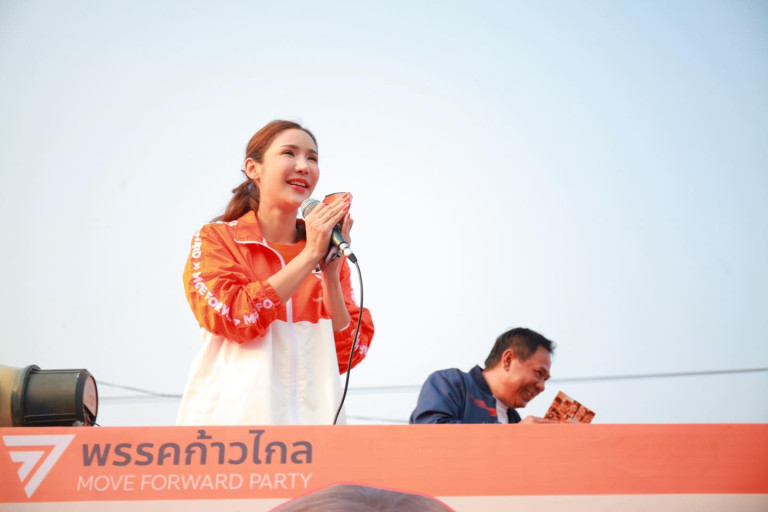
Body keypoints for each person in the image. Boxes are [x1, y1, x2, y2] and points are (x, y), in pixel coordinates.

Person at [177, 120, 374, 426]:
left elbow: (347, 353)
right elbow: (233, 317)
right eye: (289, 153)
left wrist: (330, 274)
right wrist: (309, 257)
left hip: (317, 434)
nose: (304, 166)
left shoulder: (326, 252)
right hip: (231, 434)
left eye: (312, 158)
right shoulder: (217, 239)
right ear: (253, 168)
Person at [409, 327, 554, 424]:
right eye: (538, 373)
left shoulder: (514, 419)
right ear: (508, 359)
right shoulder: (451, 384)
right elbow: (429, 434)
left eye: (545, 380)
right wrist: (514, 435)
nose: (542, 387)